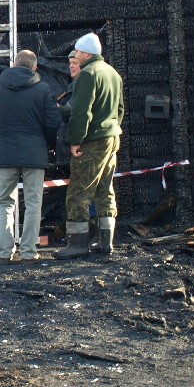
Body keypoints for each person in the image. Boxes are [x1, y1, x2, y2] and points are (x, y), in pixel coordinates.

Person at [0, 50, 60, 264]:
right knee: (34, 203)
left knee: (4, 202)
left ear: (14, 64)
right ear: (34, 68)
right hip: (34, 152)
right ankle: (28, 251)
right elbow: (54, 122)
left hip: (5, 151)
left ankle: (5, 252)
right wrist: (42, 140)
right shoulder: (43, 89)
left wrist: (1, 134)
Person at [55, 33, 124, 259]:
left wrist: (75, 141)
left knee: (79, 192)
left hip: (92, 141)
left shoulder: (88, 75)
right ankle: (106, 242)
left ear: (86, 53)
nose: (75, 56)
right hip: (112, 137)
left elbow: (81, 113)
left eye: (77, 53)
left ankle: (77, 244)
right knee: (105, 189)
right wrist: (110, 129)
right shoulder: (113, 74)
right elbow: (120, 110)